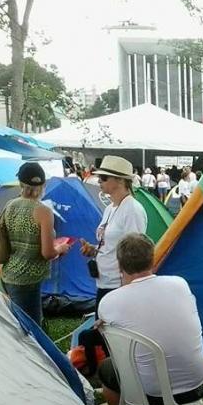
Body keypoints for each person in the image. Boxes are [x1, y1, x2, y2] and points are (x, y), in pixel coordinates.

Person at [97, 233, 203, 405]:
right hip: (198, 383)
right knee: (177, 360)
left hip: (151, 394)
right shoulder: (180, 284)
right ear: (153, 259)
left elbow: (117, 349)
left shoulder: (110, 301)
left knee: (106, 369)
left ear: (120, 266)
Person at [79, 156, 148, 369]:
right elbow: (111, 242)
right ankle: (114, 376)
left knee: (115, 336)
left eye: (103, 177)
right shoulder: (110, 208)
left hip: (119, 284)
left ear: (119, 181)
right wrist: (94, 249)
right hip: (103, 279)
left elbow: (135, 252)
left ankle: (121, 376)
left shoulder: (133, 210)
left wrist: (129, 290)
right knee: (107, 333)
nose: (99, 181)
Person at [1, 162, 71, 326]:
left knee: (17, 324)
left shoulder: (9, 205)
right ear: (43, 184)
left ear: (20, 183)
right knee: (32, 330)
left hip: (8, 273)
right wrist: (60, 248)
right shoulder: (43, 212)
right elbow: (47, 253)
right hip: (27, 279)